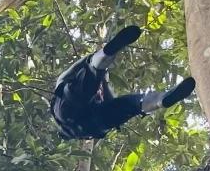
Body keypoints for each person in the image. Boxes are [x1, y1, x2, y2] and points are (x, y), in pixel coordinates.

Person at [50, 25, 196, 140]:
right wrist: (103, 78)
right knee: (124, 103)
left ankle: (160, 101)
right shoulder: (93, 102)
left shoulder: (65, 85)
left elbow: (80, 67)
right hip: (88, 123)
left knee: (91, 78)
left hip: (80, 121)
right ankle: (160, 100)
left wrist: (96, 59)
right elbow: (114, 104)